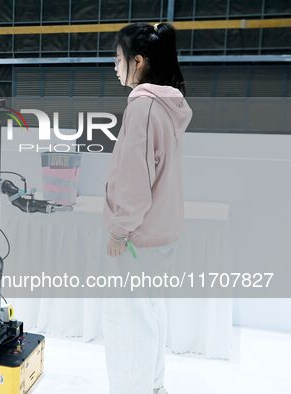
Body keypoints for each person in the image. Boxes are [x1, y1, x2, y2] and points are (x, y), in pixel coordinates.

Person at [101, 22, 193, 394]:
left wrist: (120, 230)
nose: (114, 65)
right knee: (150, 314)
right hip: (162, 233)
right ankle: (153, 387)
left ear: (138, 62)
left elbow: (134, 180)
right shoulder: (168, 105)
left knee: (128, 324)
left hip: (138, 236)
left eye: (118, 58)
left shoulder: (143, 107)